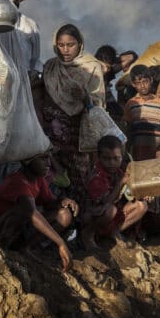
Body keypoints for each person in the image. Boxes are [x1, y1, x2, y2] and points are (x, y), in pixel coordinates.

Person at [37, 23, 107, 201]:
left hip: (77, 138)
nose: (65, 50)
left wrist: (85, 97)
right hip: (50, 137)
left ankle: (77, 225)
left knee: (78, 184)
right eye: (61, 45)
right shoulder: (51, 67)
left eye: (71, 45)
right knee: (48, 182)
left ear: (80, 44)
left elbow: (98, 104)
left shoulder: (91, 67)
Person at [0, 152, 77, 272]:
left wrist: (63, 201)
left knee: (65, 214)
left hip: (17, 231)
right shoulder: (17, 181)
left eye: (48, 158)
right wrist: (60, 243)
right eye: (43, 159)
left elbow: (48, 203)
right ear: (26, 160)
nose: (48, 163)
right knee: (23, 210)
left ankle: (24, 248)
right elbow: (31, 212)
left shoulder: (38, 180)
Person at [80, 135, 148, 249]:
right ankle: (88, 234)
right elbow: (107, 201)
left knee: (141, 205)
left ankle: (113, 233)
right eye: (107, 158)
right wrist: (121, 182)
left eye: (116, 158)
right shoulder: (96, 176)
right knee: (110, 210)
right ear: (99, 157)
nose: (112, 162)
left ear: (122, 157)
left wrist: (142, 194)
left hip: (113, 216)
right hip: (94, 216)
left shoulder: (119, 172)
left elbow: (130, 194)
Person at [122, 65, 160, 162]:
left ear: (151, 80)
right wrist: (126, 150)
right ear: (133, 84)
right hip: (139, 152)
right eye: (138, 83)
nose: (142, 86)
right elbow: (128, 129)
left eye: (145, 82)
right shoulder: (131, 104)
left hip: (159, 153)